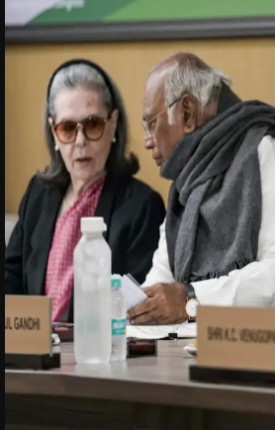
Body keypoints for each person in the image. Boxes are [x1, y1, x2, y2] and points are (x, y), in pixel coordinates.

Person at [128, 53, 275, 325]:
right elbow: (163, 277)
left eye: (151, 124)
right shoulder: (187, 181)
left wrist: (191, 300)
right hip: (196, 345)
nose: (147, 141)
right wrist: (136, 308)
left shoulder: (270, 151)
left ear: (187, 112)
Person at [5, 59, 166, 323]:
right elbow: (10, 279)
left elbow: (139, 307)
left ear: (113, 124)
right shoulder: (37, 195)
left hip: (103, 344)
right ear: (54, 133)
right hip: (34, 344)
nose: (80, 141)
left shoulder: (143, 206)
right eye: (68, 128)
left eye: (92, 125)